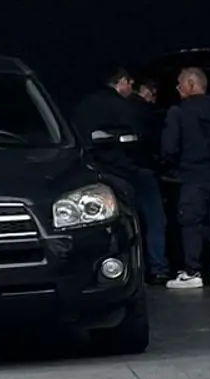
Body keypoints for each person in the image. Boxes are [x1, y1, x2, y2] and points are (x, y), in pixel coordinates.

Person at [71, 67, 167, 283]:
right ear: (122, 81)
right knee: (154, 219)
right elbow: (148, 139)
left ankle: (110, 270)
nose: (131, 89)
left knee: (108, 224)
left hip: (100, 173)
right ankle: (157, 268)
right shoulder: (129, 108)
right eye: (130, 84)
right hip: (133, 170)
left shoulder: (83, 107)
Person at [159, 67, 210, 289]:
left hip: (193, 175)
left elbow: (169, 148)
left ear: (191, 85)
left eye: (179, 84)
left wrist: (171, 166)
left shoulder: (178, 112)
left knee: (191, 223)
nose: (177, 89)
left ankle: (192, 271)